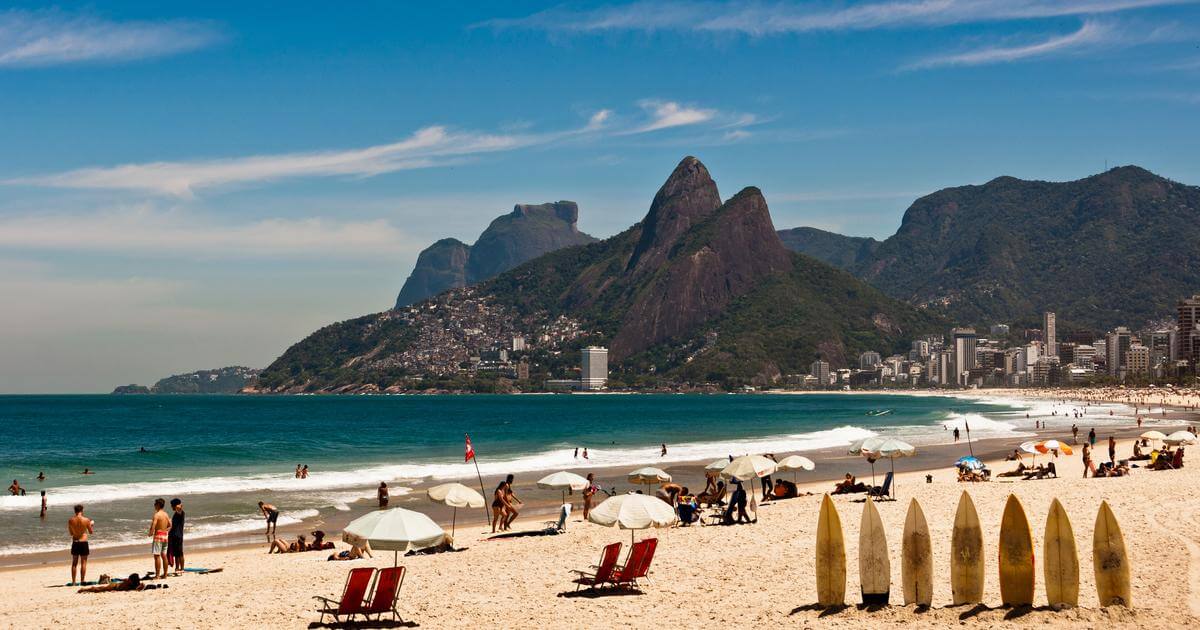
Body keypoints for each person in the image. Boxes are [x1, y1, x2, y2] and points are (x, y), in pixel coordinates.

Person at [68, 504, 94, 586]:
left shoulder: (71, 520)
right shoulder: (86, 520)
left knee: (74, 563)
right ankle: (82, 581)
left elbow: (71, 533)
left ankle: (73, 582)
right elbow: (91, 532)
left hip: (75, 542)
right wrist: (91, 524)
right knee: (83, 563)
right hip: (83, 542)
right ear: (82, 511)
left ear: (75, 511)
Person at [149, 498, 170, 579]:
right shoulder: (166, 514)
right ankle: (165, 575)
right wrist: (165, 530)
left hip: (158, 536)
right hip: (165, 536)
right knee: (164, 555)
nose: (154, 505)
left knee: (157, 556)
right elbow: (170, 525)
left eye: (155, 504)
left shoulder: (157, 515)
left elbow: (154, 525)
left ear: (158, 505)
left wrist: (151, 533)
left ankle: (157, 575)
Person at [168, 498, 185, 574]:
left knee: (180, 553)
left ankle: (182, 568)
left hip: (178, 536)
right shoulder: (176, 514)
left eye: (172, 505)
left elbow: (180, 509)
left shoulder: (181, 513)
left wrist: (179, 505)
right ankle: (177, 568)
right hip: (174, 536)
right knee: (176, 553)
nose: (171, 507)